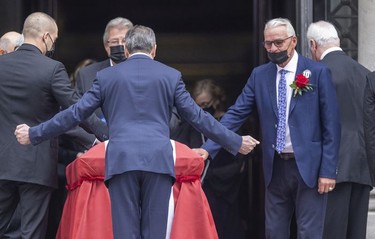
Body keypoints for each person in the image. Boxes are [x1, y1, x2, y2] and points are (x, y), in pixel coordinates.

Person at [14, 25, 259, 239]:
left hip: (121, 160)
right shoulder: (170, 76)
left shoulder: (107, 76)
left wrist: (35, 133)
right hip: (158, 161)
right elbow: (198, 117)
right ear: (154, 50)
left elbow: (75, 113)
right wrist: (235, 142)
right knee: (155, 232)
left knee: (124, 232)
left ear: (128, 51)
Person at [202, 18, 341, 239]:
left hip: (310, 165)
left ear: (293, 41)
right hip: (275, 166)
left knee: (309, 232)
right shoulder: (260, 75)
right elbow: (236, 113)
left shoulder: (316, 72)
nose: (273, 48)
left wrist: (328, 171)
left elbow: (331, 125)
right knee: (274, 231)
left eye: (278, 43)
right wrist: (208, 149)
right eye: (268, 44)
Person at [0, 12, 108, 239]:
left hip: (2, 162)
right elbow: (76, 110)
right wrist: (105, 134)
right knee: (31, 233)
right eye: (55, 40)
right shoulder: (51, 69)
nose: (53, 45)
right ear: (46, 36)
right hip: (36, 164)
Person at [307, 20, 372, 239]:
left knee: (331, 232)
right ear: (339, 41)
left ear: (313, 45)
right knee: (356, 233)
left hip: (331, 168)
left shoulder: (317, 73)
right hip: (362, 166)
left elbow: (313, 123)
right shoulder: (365, 73)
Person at [171, 78, 249, 239]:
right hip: (200, 188)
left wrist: (213, 175)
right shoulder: (190, 126)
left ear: (216, 100)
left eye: (206, 104)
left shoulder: (229, 125)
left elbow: (239, 164)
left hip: (225, 190)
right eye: (197, 106)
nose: (202, 110)